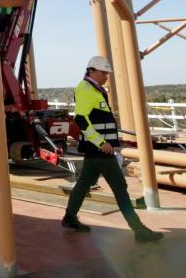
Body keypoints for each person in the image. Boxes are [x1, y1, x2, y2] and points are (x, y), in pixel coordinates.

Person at [62, 56, 164, 243]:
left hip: (98, 149)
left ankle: (69, 218)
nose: (106, 76)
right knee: (120, 187)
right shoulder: (84, 89)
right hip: (100, 149)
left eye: (107, 73)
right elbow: (81, 119)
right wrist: (101, 143)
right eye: (103, 72)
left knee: (84, 183)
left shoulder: (95, 89)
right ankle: (138, 230)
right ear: (91, 71)